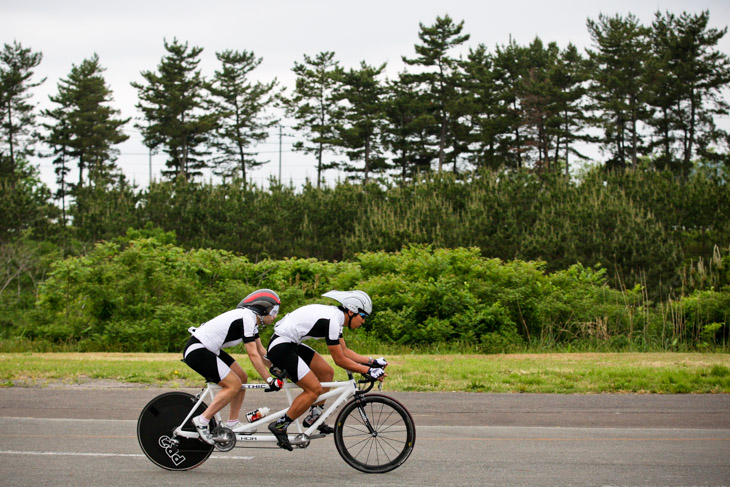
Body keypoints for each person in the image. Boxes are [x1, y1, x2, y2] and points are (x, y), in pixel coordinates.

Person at [266, 290, 388, 451]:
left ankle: (313, 418)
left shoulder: (336, 318)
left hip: (290, 343)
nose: (363, 321)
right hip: (281, 346)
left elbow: (345, 351)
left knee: (326, 372)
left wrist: (372, 362)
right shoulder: (332, 321)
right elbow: (340, 360)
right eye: (363, 317)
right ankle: (280, 425)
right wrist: (368, 370)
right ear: (351, 311)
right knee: (313, 389)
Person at [183, 288, 285, 445]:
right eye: (274, 311)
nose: (275, 316)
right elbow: (252, 355)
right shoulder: (246, 318)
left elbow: (260, 350)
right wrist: (269, 379)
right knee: (234, 384)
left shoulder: (251, 320)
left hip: (209, 349)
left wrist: (278, 368)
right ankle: (202, 420)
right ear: (263, 308)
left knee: (242, 378)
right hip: (198, 349)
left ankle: (232, 422)